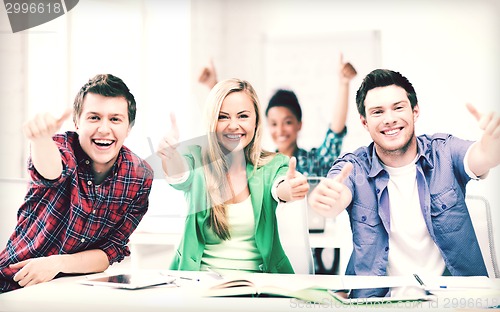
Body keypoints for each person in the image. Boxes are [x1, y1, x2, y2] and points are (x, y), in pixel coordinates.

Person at [308, 69, 500, 297]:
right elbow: (337, 192)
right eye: (377, 112)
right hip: (380, 304)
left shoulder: (444, 152)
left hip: (453, 302)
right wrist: (328, 201)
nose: (389, 119)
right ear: (364, 122)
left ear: (415, 111)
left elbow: (483, 155)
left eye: (398, 107)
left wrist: (493, 141)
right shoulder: (354, 166)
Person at [198, 55, 357, 274]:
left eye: (288, 122)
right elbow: (228, 131)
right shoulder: (259, 163)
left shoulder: (314, 160)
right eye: (274, 123)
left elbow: (335, 133)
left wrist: (344, 84)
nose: (280, 130)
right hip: (267, 254)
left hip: (312, 256)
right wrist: (212, 86)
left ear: (299, 124)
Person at [0, 74, 154, 293]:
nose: (104, 128)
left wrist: (57, 263)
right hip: (13, 282)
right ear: (77, 123)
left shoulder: (139, 176)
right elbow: (51, 172)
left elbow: (110, 251)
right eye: (94, 117)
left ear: (128, 127)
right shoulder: (62, 147)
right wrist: (41, 139)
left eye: (115, 119)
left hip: (73, 288)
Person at [157, 78, 309, 274]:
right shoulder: (196, 157)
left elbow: (280, 187)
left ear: (256, 121)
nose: (233, 125)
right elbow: (180, 175)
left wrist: (290, 188)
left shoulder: (273, 164)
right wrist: (170, 156)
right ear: (212, 121)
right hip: (199, 286)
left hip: (259, 288)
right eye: (223, 117)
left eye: (243, 116)